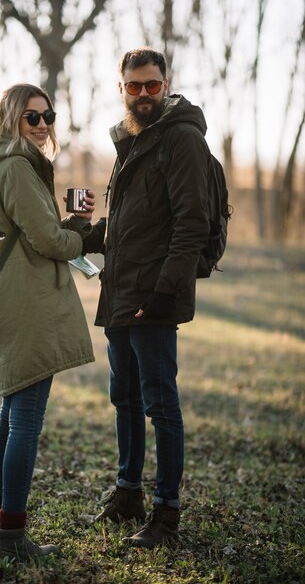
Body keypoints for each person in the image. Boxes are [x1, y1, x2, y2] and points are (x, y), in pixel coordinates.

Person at [83, 48, 211, 548]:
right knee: (125, 400)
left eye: (151, 85)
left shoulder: (181, 139)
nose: (142, 94)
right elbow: (131, 223)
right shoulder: (130, 142)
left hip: (152, 298)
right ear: (121, 89)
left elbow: (192, 225)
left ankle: (166, 515)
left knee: (161, 405)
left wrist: (164, 294)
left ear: (165, 85)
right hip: (119, 291)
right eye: (133, 86)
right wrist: (85, 234)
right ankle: (128, 492)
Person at [0, 83, 95, 562]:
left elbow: (29, 234)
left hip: (11, 300)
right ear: (9, 120)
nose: (43, 126)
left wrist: (70, 226)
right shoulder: (18, 169)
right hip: (29, 306)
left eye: (48, 117)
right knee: (25, 421)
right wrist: (82, 234)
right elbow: (47, 240)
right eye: (32, 118)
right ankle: (10, 538)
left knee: (8, 418)